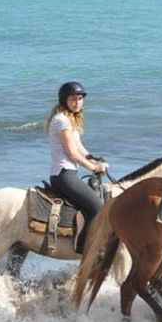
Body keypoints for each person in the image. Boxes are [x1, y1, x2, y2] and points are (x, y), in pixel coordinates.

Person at [47, 81, 107, 254]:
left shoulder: (70, 120)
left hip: (69, 172)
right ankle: (84, 247)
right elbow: (72, 153)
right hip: (64, 174)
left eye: (80, 99)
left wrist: (94, 160)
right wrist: (92, 168)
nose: (77, 102)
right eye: (73, 99)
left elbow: (80, 148)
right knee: (97, 207)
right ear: (64, 100)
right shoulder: (61, 121)